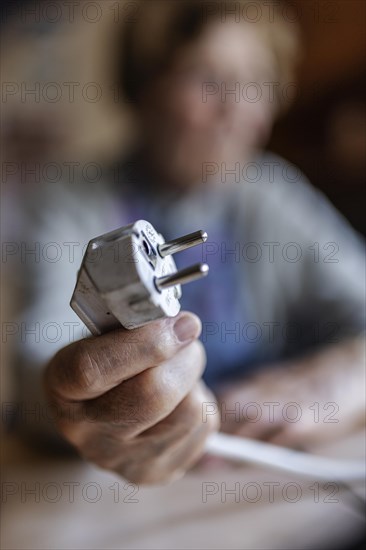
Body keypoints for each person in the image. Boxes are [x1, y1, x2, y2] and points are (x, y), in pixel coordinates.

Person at [5, 0, 365, 484]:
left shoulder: (271, 196)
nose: (237, 110)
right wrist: (74, 404)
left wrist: (341, 378)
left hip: (256, 484)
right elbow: (36, 371)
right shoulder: (71, 202)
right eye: (206, 79)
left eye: (258, 83)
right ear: (146, 90)